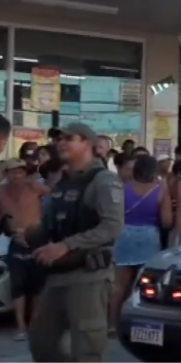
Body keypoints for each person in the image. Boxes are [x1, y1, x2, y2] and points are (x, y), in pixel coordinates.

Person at [25, 122, 124, 362]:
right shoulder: (62, 182)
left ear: (88, 144)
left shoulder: (103, 181)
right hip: (57, 276)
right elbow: (51, 225)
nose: (62, 143)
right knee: (41, 344)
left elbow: (112, 226)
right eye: (59, 139)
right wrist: (29, 234)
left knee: (87, 349)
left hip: (88, 277)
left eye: (69, 138)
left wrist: (65, 246)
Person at [110, 154, 171, 335]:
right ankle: (144, 325)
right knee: (147, 285)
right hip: (149, 238)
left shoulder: (123, 189)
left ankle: (112, 324)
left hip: (124, 236)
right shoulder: (160, 191)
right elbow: (167, 221)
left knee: (119, 286)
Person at [0, 159, 49, 340]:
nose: (17, 176)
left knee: (37, 286)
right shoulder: (1, 192)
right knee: (18, 287)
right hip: (15, 242)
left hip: (37, 240)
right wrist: (12, 233)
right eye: (12, 172)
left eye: (20, 172)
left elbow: (55, 197)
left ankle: (34, 323)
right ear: (6, 174)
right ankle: (21, 326)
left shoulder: (34, 187)